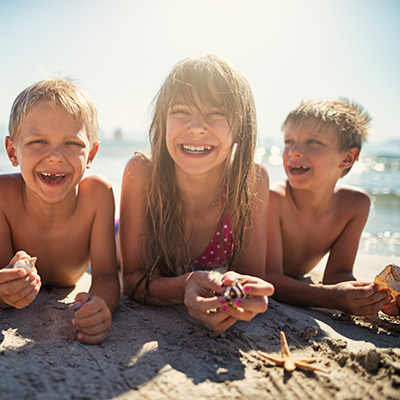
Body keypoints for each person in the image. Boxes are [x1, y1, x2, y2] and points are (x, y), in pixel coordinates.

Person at [119, 54, 274, 334]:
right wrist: (186, 284)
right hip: (120, 234)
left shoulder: (250, 180)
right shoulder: (142, 173)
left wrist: (239, 295)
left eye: (216, 113)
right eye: (180, 111)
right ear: (162, 121)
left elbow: (250, 278)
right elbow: (131, 281)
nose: (196, 126)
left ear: (241, 128)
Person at [0, 77, 120, 344]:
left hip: (112, 232)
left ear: (91, 154)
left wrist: (101, 303)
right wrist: (5, 292)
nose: (55, 156)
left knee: (125, 247)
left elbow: (106, 276)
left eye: (72, 144)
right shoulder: (3, 196)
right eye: (38, 142)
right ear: (12, 151)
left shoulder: (98, 195)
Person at [265, 99, 397, 316]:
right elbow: (267, 276)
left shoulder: (355, 205)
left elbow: (338, 276)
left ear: (347, 158)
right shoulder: (273, 198)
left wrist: (373, 297)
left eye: (313, 142)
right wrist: (331, 297)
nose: (295, 151)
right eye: (289, 141)